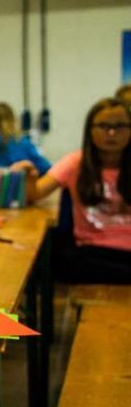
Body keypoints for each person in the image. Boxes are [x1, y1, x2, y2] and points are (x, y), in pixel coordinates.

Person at [13, 97, 131, 283]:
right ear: (90, 130)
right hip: (92, 252)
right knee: (63, 262)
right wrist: (29, 174)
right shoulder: (75, 162)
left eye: (120, 126)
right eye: (103, 126)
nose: (111, 132)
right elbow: (35, 194)